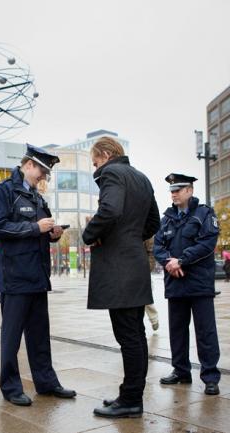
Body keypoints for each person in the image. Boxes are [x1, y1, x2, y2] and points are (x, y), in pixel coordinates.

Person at [0, 143, 76, 407]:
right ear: (28, 165)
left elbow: (39, 233)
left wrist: (52, 233)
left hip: (37, 277)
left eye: (47, 174)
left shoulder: (37, 197)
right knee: (11, 339)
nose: (44, 177)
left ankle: (46, 383)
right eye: (43, 171)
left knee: (39, 336)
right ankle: (11, 388)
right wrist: (34, 227)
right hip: (15, 279)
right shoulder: (3, 191)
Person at [82, 136, 160, 419]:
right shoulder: (142, 178)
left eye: (95, 162)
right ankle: (131, 395)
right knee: (135, 335)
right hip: (135, 263)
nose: (95, 168)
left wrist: (90, 234)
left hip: (119, 268)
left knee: (128, 336)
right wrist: (129, 238)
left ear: (105, 154)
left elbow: (111, 210)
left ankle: (130, 400)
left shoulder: (112, 172)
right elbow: (154, 222)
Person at [154, 173, 221, 396]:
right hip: (175, 283)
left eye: (178, 189)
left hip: (199, 283)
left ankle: (210, 377)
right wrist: (169, 262)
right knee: (177, 331)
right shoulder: (166, 219)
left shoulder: (204, 214)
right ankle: (181, 371)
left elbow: (207, 243)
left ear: (189, 191)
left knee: (206, 332)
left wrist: (181, 260)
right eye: (171, 190)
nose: (173, 193)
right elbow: (158, 247)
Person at [144, 237, 159, 331]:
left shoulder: (146, 231)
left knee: (146, 298)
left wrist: (147, 268)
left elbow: (151, 251)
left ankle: (154, 319)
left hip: (142, 270)